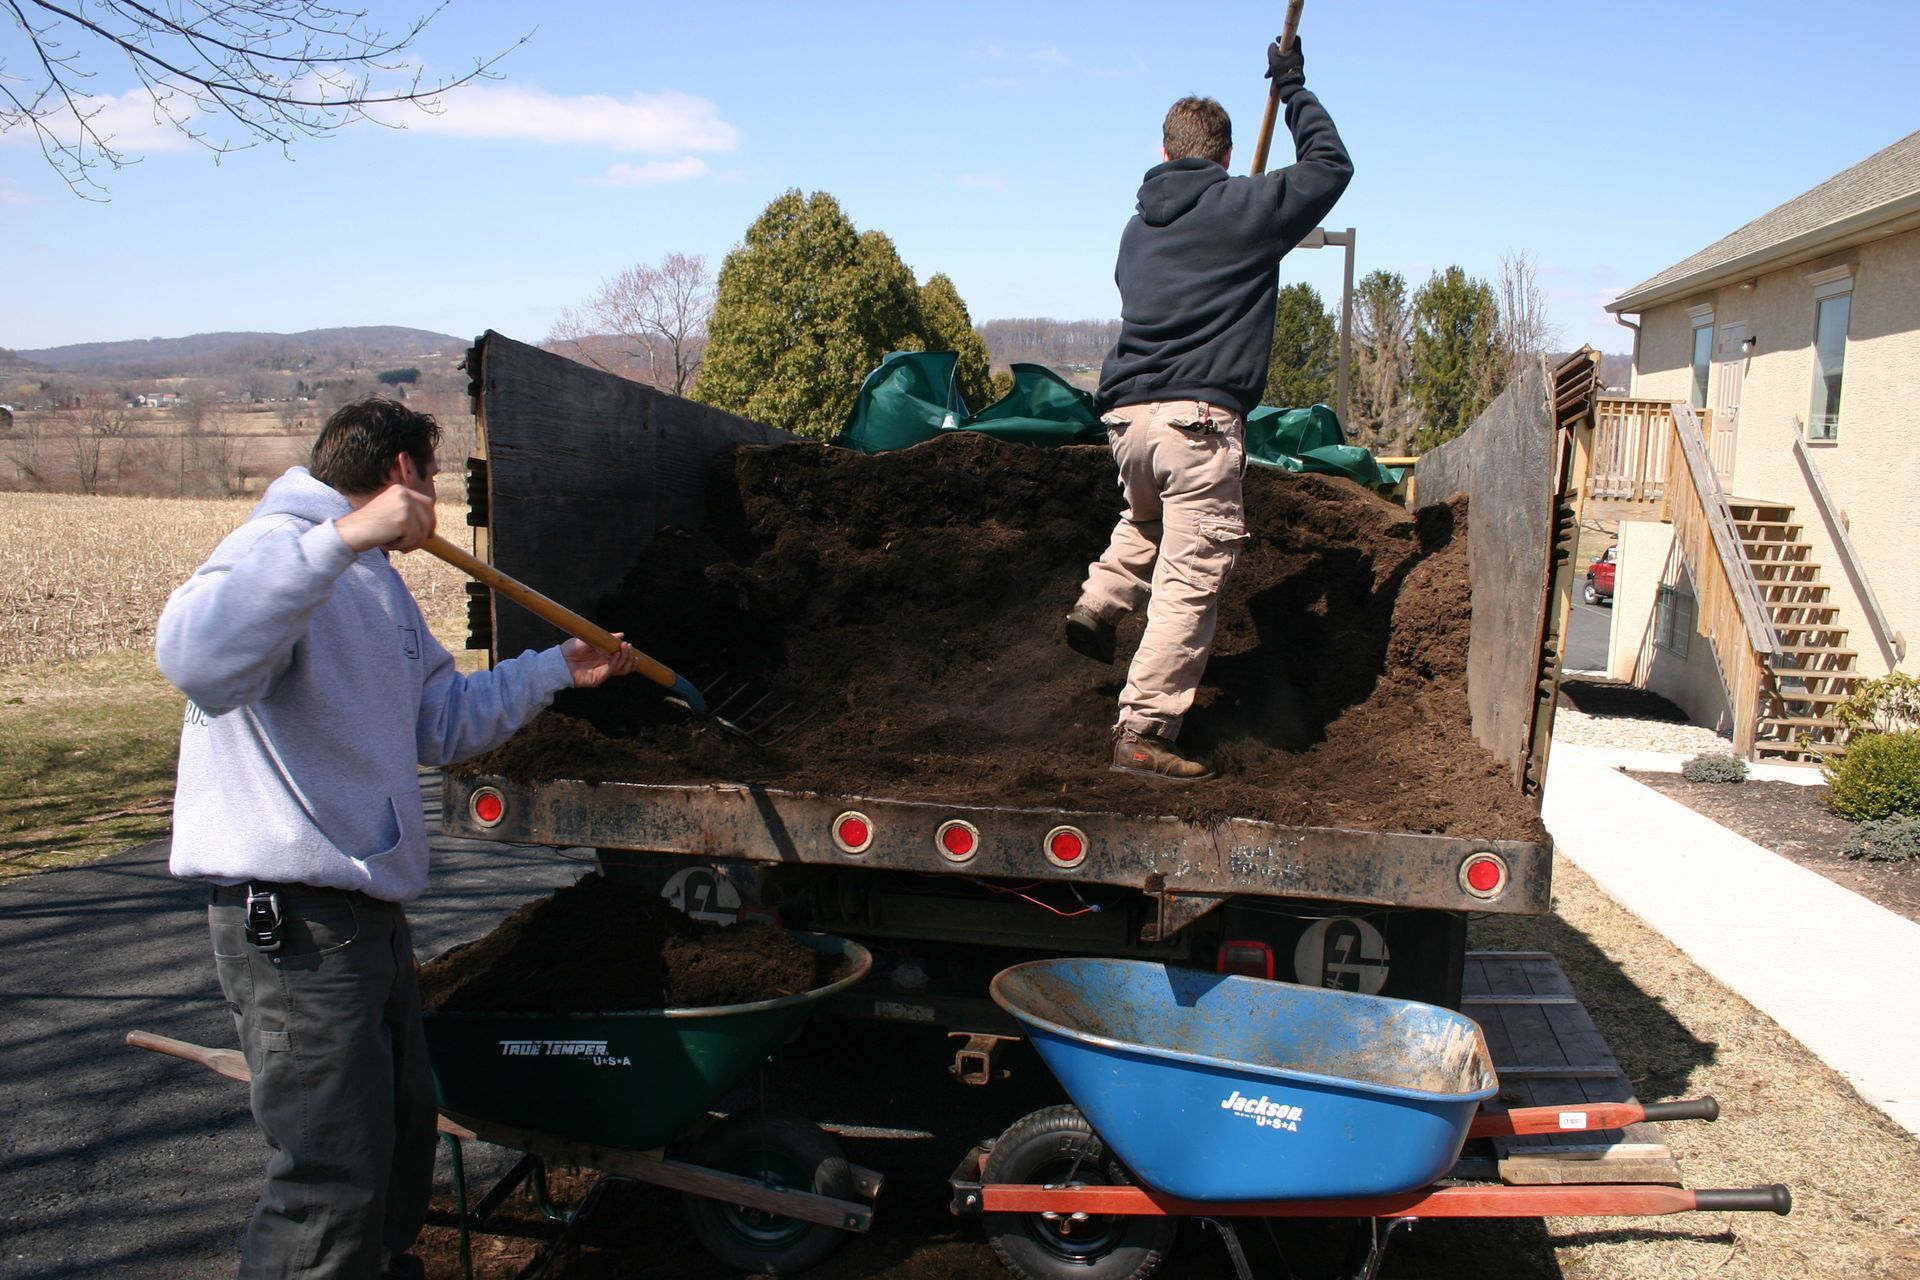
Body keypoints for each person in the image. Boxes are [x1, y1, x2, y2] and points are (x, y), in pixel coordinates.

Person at [156, 398, 639, 1278]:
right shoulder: (279, 545)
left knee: (395, 1160)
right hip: (293, 926)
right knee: (331, 1181)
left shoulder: (376, 584)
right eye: (436, 481)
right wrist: (340, 540)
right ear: (406, 474)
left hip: (363, 921)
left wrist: (553, 671)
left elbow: (441, 721)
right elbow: (198, 661)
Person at [1066, 37, 1353, 781]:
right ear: (1223, 156)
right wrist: (1293, 89)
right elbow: (1330, 168)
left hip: (1129, 425)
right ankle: (1143, 729)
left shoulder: (1137, 231)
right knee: (1191, 575)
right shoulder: (1242, 208)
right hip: (1197, 423)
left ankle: (1098, 602)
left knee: (1148, 518)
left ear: (1164, 150)